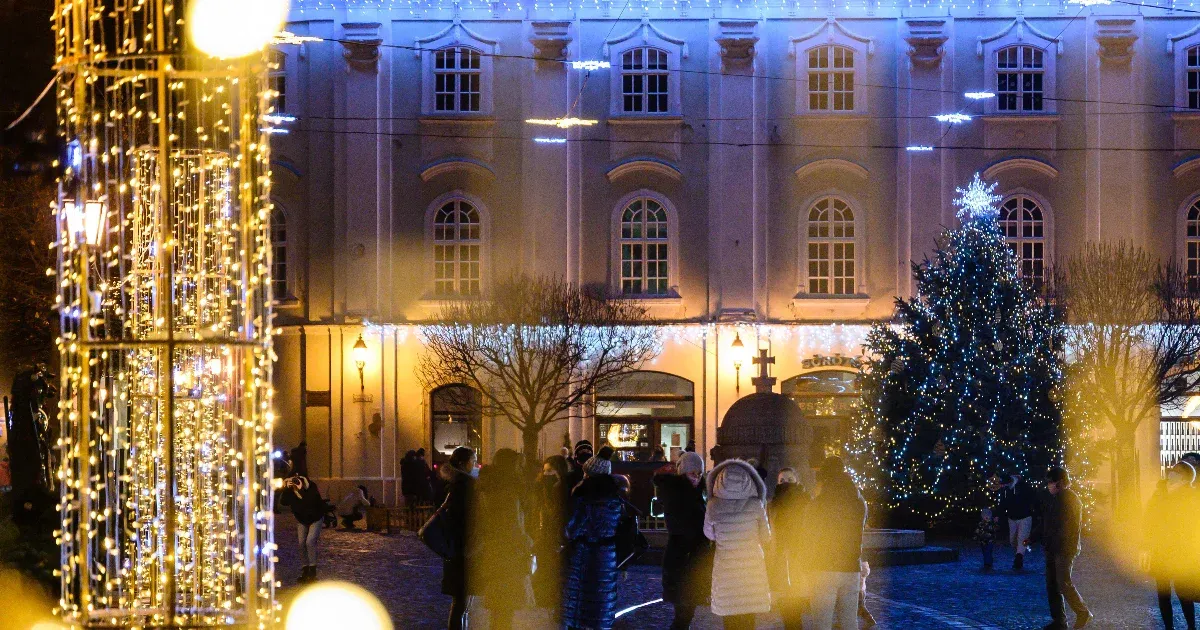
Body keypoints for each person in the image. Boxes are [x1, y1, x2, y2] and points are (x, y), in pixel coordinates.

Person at [704, 458, 771, 630]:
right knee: (749, 616)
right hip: (751, 569)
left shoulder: (713, 506)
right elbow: (766, 536)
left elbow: (709, 534)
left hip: (726, 569)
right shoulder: (756, 505)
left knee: (730, 617)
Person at [471, 448, 533, 630]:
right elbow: (513, 524)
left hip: (492, 549)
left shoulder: (487, 486)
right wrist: (525, 542)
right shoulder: (508, 491)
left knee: (498, 604)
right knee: (506, 603)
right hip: (508, 551)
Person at [802, 457, 867, 630]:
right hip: (851, 567)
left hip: (823, 568)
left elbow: (808, 536)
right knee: (849, 623)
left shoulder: (817, 503)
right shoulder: (858, 501)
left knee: (822, 623)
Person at [563, 451, 624, 630]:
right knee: (602, 599)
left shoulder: (583, 496)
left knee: (581, 600)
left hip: (585, 554)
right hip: (607, 554)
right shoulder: (615, 497)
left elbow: (572, 528)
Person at [654, 451, 711, 630]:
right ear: (683, 472)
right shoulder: (678, 493)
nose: (697, 478)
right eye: (692, 473)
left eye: (699, 474)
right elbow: (685, 526)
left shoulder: (694, 493)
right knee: (683, 614)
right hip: (684, 559)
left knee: (686, 613)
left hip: (689, 558)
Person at [1145, 461, 1199, 630]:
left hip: (1182, 550)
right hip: (1161, 549)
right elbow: (1149, 518)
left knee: (1184, 592)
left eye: (1177, 471)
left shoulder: (1191, 495)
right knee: (1163, 593)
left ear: (1185, 477)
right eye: (1172, 470)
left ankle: (1191, 626)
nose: (1172, 473)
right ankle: (1169, 627)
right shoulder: (1160, 492)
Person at [1042, 466, 1091, 630]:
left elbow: (1067, 526)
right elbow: (1048, 523)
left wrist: (1059, 541)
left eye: (1052, 482)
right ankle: (1059, 621)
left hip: (1064, 548)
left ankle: (1082, 612)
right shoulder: (1056, 499)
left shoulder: (1070, 499)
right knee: (1053, 585)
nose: (1049, 485)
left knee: (1063, 583)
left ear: (1061, 482)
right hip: (1053, 547)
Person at [440, 447, 477, 630]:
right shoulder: (465, 484)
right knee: (462, 600)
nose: (474, 464)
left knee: (459, 600)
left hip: (454, 546)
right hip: (464, 548)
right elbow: (467, 518)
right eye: (473, 460)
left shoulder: (451, 483)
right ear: (463, 463)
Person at [768, 467, 809, 630]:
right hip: (780, 560)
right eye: (782, 481)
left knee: (797, 606)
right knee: (786, 608)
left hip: (800, 559)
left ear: (797, 481)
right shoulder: (772, 505)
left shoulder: (805, 502)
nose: (785, 484)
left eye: (790, 480)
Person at [534, 455, 571, 623]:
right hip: (543, 536)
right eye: (545, 471)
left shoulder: (563, 489)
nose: (546, 474)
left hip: (556, 537)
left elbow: (558, 514)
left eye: (550, 471)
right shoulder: (539, 488)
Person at [278, 472, 326, 584]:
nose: (295, 482)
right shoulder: (290, 491)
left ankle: (312, 571)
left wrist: (301, 489)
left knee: (310, 542)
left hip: (316, 518)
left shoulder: (311, 487)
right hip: (302, 520)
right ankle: (305, 570)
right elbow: (283, 502)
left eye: (297, 480)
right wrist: (286, 489)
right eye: (292, 480)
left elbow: (310, 501)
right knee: (301, 544)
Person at [997, 472, 1038, 571]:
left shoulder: (1022, 486)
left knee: (1022, 538)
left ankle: (1019, 557)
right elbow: (1003, 503)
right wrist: (999, 514)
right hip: (1012, 517)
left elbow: (1032, 498)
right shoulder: (1006, 489)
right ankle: (1018, 554)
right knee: (1013, 539)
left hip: (1025, 516)